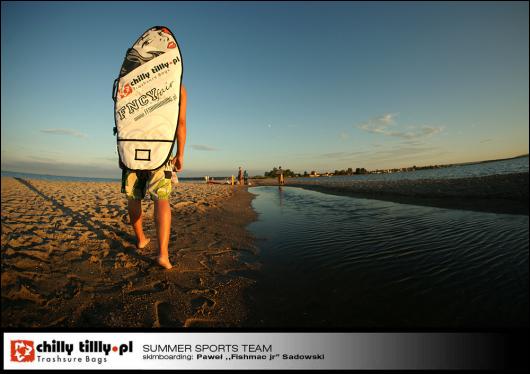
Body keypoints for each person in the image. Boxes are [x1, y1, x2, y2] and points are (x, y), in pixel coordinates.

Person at [121, 84, 187, 270]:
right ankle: (163, 255)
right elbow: (180, 122)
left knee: (134, 196)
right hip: (161, 150)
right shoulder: (177, 84)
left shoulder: (131, 80)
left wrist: (121, 152)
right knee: (161, 198)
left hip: (132, 148)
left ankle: (141, 239)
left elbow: (122, 118)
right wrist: (180, 154)